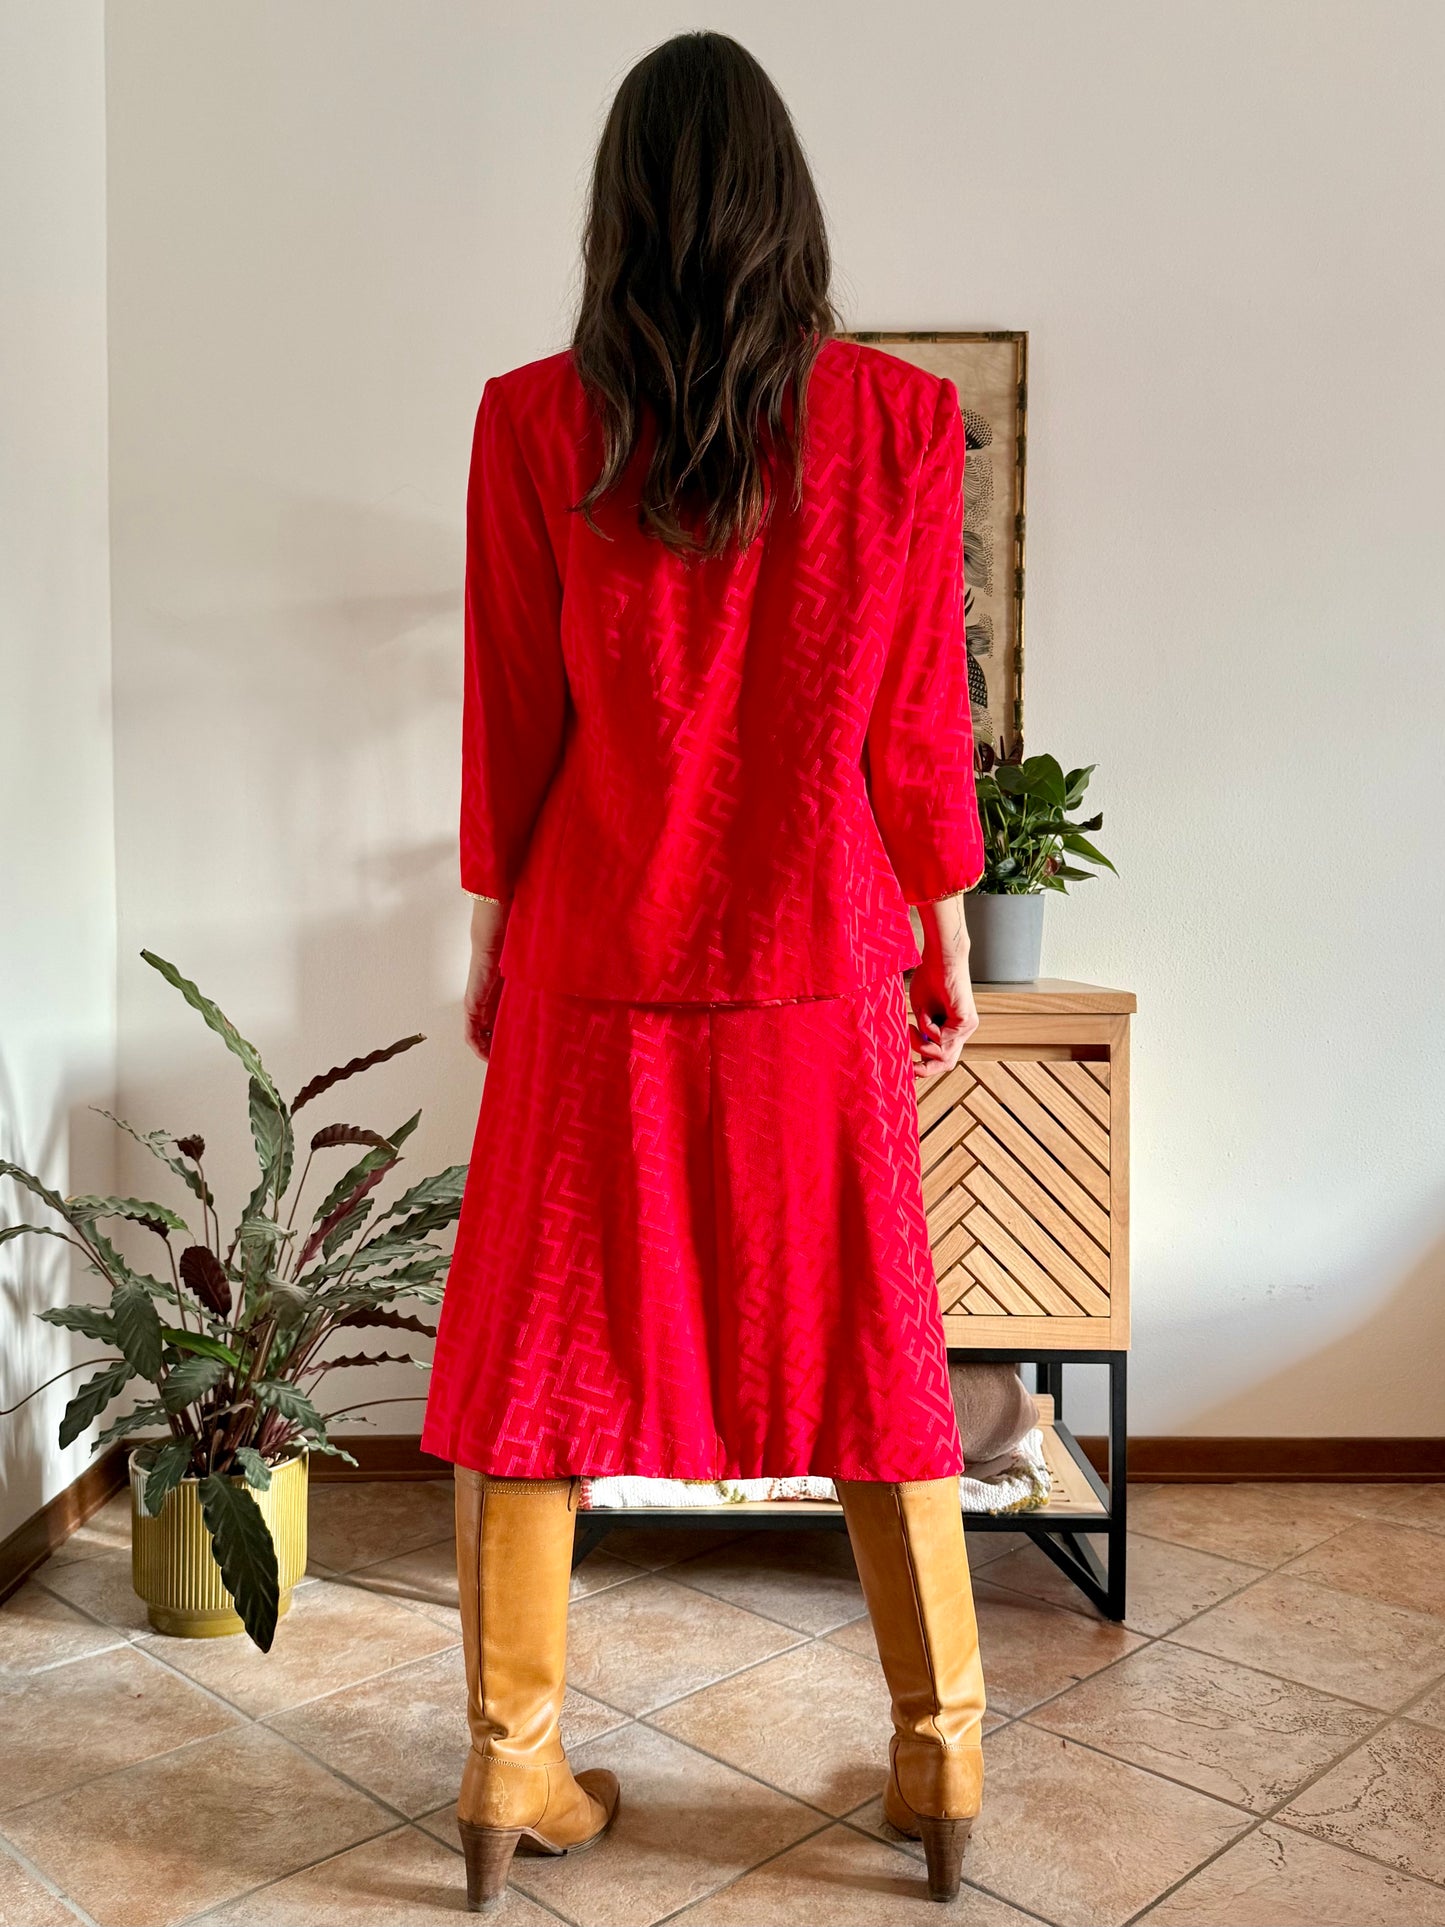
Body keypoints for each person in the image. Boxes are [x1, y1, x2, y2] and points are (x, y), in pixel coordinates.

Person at [421, 29, 987, 1911]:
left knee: (535, 1372)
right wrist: (944, 924)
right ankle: (940, 1762)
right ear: (785, 207)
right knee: (879, 1363)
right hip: (814, 954)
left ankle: (510, 1780)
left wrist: (496, 936)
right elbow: (916, 723)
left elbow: (515, 715)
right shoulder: (902, 425)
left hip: (597, 954)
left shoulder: (529, 421)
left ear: (617, 209)